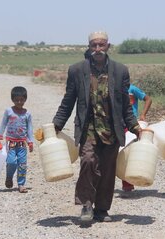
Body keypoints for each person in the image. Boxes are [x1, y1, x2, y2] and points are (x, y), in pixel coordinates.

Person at [53, 31, 141, 223]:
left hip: (111, 129)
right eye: (94, 45)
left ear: (108, 46)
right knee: (88, 162)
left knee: (108, 170)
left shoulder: (120, 71)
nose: (98, 49)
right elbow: (68, 101)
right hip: (88, 128)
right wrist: (56, 125)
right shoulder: (77, 70)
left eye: (101, 45)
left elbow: (125, 104)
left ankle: (102, 209)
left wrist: (134, 126)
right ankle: (86, 205)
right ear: (89, 47)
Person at [0, 86, 34, 193]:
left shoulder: (27, 114)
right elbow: (3, 124)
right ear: (12, 99)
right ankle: (9, 177)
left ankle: (21, 184)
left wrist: (30, 142)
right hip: (10, 142)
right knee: (11, 162)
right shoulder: (9, 111)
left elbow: (30, 129)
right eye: (16, 100)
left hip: (22, 143)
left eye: (22, 99)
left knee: (22, 164)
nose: (19, 102)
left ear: (25, 99)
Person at [122, 84, 152, 192]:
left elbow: (148, 99)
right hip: (118, 124)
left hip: (132, 125)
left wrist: (143, 115)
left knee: (130, 152)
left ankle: (128, 183)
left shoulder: (132, 89)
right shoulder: (113, 87)